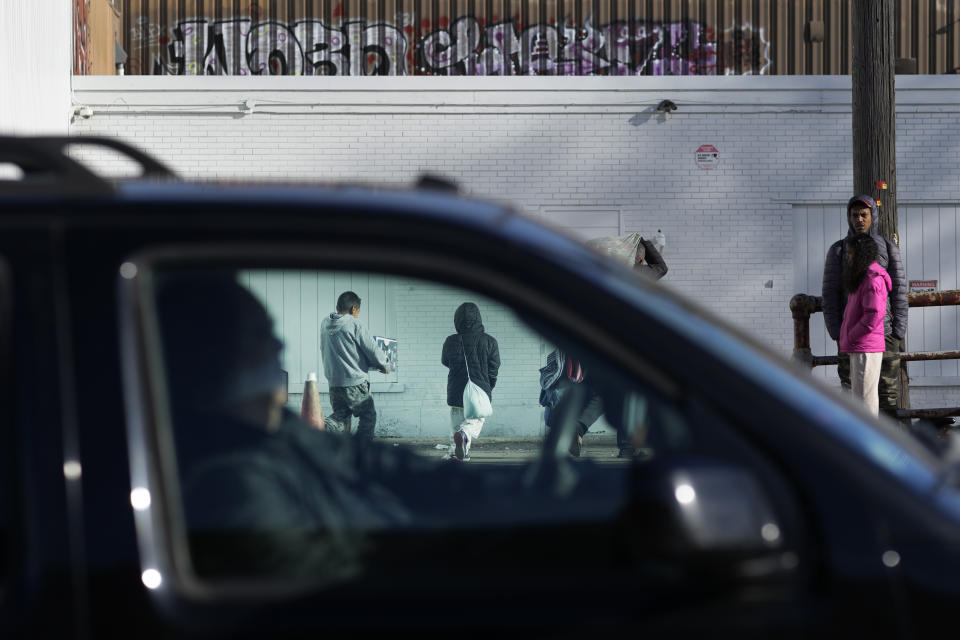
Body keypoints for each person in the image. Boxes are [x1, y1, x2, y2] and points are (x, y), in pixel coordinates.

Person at [822, 195, 907, 421]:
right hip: (850, 335)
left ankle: (889, 445)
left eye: (864, 215)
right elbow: (829, 294)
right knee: (851, 392)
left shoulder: (888, 248)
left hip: (885, 332)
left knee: (887, 394)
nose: (859, 219)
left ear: (872, 217)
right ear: (848, 218)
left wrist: (898, 331)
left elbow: (898, 289)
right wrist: (837, 332)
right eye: (854, 215)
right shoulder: (839, 250)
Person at [839, 233, 891, 416]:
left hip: (865, 345)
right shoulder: (865, 277)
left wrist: (852, 335)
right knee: (862, 399)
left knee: (865, 401)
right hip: (862, 344)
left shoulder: (871, 279)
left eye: (852, 253)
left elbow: (874, 315)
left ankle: (869, 441)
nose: (849, 257)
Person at [441, 302, 500, 461]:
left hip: (456, 390)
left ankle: (458, 453)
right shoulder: (490, 341)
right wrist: (488, 386)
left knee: (457, 423)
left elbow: (445, 361)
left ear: (457, 320)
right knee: (474, 422)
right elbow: (494, 368)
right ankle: (464, 435)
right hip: (480, 388)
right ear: (479, 318)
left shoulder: (450, 341)